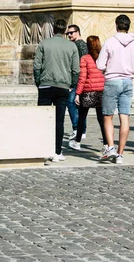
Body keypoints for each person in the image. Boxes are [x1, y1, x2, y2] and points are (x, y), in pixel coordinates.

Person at [96, 14, 134, 164]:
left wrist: (111, 67)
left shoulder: (110, 42)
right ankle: (120, 154)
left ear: (117, 25)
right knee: (124, 116)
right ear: (128, 26)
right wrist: (129, 69)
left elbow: (100, 65)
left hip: (112, 80)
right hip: (127, 81)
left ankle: (110, 147)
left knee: (107, 115)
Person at [33, 19, 80, 162]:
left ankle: (43, 149)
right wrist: (72, 83)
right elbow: (75, 69)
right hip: (62, 86)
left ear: (53, 29)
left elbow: (36, 66)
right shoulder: (71, 46)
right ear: (65, 30)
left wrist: (38, 81)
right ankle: (57, 151)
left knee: (43, 119)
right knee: (59, 120)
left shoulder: (44, 44)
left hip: (45, 85)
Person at [69, 35, 106, 152]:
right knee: (102, 119)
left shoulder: (85, 58)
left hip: (88, 91)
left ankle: (78, 142)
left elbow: (82, 77)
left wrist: (78, 93)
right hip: (101, 91)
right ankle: (106, 144)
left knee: (82, 118)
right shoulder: (103, 58)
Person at [66, 24, 88, 140]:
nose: (69, 35)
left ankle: (77, 128)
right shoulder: (76, 44)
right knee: (79, 105)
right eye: (68, 33)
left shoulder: (79, 45)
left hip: (78, 79)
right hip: (79, 78)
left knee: (71, 103)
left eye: (71, 32)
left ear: (78, 32)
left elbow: (82, 63)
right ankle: (81, 130)